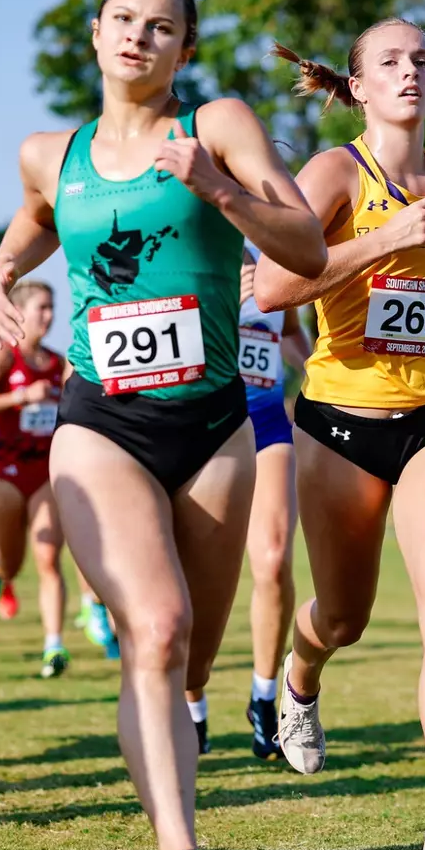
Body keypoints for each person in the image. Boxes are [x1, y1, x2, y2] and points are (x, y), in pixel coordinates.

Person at [0, 0, 326, 850]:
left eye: (161, 26)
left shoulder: (215, 126)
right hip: (103, 424)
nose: (139, 36)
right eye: (124, 20)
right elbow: (41, 217)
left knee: (187, 666)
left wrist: (214, 185)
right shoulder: (53, 152)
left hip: (214, 424)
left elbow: (301, 246)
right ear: (97, 36)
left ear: (183, 48)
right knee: (159, 624)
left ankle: (180, 766)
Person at [255, 16, 425, 850]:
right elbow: (272, 283)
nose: (413, 72)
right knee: (345, 615)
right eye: (392, 62)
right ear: (359, 86)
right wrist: (383, 240)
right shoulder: (334, 173)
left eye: (424, 61)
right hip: (338, 418)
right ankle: (300, 674)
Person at [186, 252, 311, 758]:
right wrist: (217, 303)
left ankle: (264, 698)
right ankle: (191, 708)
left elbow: (292, 332)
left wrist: (320, 366)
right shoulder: (188, 259)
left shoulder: (278, 263)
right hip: (204, 430)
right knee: (196, 575)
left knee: (275, 558)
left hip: (265, 426)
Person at [0, 282, 85, 677]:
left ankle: (54, 646)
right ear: (19, 312)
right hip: (5, 470)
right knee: (14, 561)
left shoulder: (58, 362)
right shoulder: (4, 358)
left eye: (52, 308)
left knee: (49, 557)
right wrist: (19, 398)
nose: (49, 316)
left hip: (44, 471)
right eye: (41, 308)